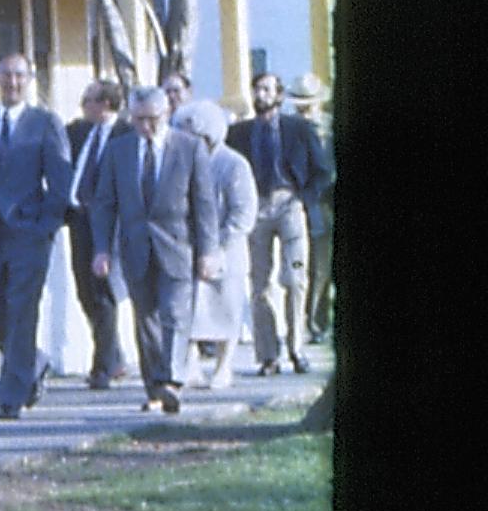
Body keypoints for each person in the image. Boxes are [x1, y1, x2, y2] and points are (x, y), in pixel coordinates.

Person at [0, 51, 74, 420]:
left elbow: (60, 182)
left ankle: (11, 395)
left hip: (30, 234)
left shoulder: (45, 122)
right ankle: (32, 362)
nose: (13, 82)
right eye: (6, 75)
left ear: (30, 79)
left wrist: (46, 225)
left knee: (22, 310)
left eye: (20, 76)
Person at [90, 86, 216, 416]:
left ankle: (172, 381)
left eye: (153, 119)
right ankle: (155, 389)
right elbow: (104, 203)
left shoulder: (189, 148)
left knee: (175, 315)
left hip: (178, 246)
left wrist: (208, 251)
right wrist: (101, 249)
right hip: (136, 248)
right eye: (139, 119)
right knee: (145, 321)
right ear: (131, 117)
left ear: (166, 115)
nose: (147, 127)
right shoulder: (119, 150)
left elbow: (204, 204)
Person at [227, 72, 328, 376]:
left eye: (267, 90)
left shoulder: (299, 130)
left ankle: (297, 348)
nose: (261, 95)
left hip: (289, 204)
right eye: (257, 89)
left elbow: (322, 171)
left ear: (280, 95)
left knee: (295, 279)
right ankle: (268, 355)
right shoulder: (239, 133)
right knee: (260, 284)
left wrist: (302, 199)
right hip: (256, 206)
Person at [179, 97, 259, 389]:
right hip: (189, 248)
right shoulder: (182, 162)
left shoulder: (234, 164)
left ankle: (224, 366)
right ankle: (191, 365)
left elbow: (243, 212)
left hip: (227, 250)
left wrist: (217, 245)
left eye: (194, 135)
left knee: (227, 307)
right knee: (189, 310)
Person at [61, 78, 127, 391]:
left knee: (102, 293)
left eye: (88, 100)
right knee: (84, 291)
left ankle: (102, 366)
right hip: (80, 219)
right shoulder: (80, 133)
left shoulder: (123, 135)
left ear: (104, 104)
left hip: (108, 222)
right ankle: (113, 353)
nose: (82, 106)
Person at [290, 74, 336, 344]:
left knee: (322, 267)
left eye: (308, 104)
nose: (304, 110)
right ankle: (304, 322)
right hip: (300, 202)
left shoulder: (328, 129)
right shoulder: (291, 129)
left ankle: (319, 320)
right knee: (299, 267)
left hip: (325, 202)